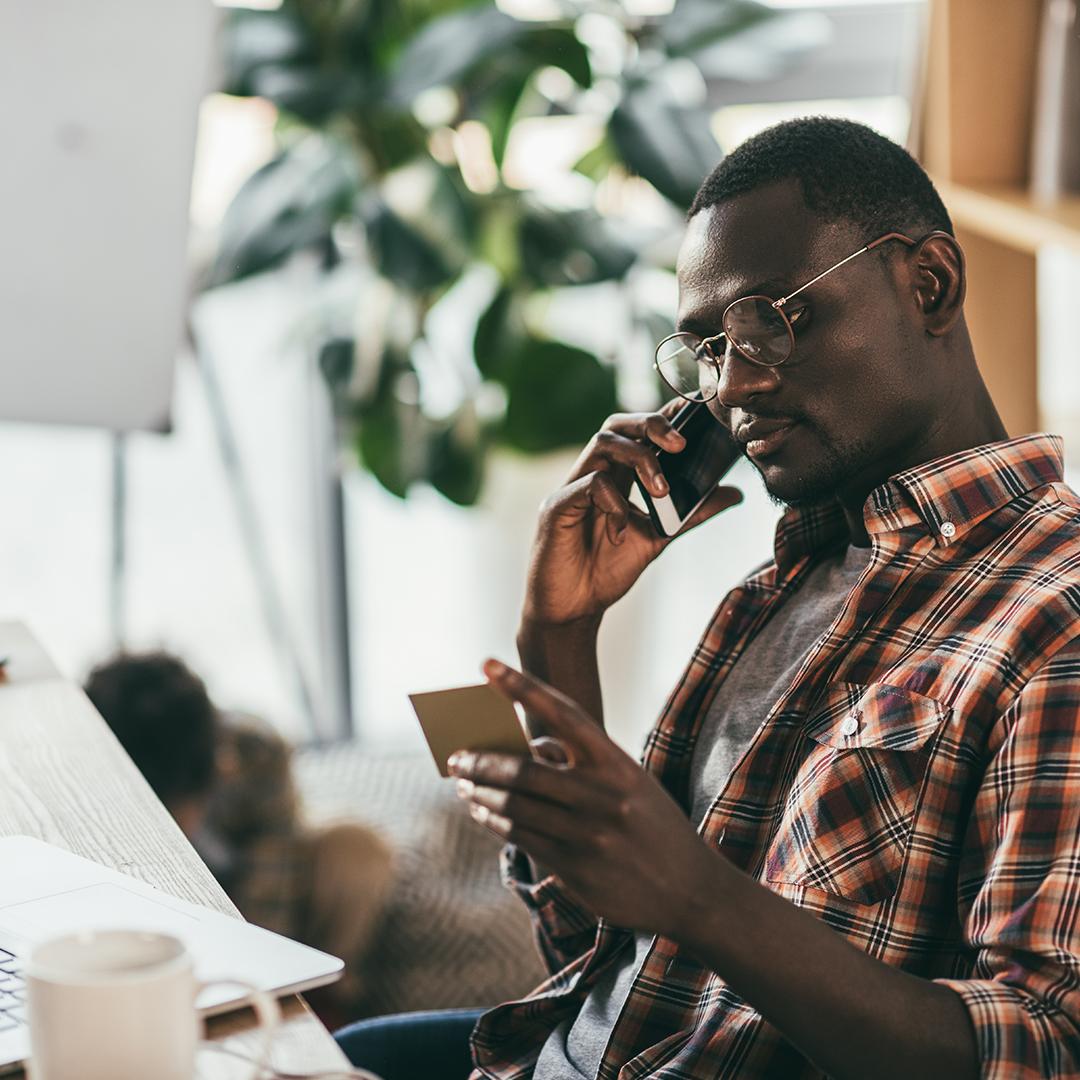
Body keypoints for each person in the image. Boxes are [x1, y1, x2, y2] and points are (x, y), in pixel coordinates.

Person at [335, 116, 1080, 1078]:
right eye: (706, 349)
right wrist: (560, 634)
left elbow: (1047, 1050)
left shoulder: (1052, 619)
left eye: (771, 319)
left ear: (928, 284)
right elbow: (608, 959)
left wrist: (699, 897)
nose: (736, 386)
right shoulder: (777, 589)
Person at [85, 652, 393, 1027]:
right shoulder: (92, 768)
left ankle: (328, 1000)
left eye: (176, 808)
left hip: (246, 897)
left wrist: (250, 980)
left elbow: (272, 892)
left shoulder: (256, 752)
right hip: (150, 915)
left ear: (221, 765)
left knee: (356, 848)